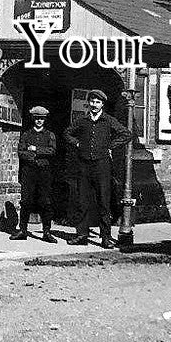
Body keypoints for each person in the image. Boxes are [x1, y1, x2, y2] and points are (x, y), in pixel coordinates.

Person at [64, 89, 132, 248]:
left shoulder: (108, 120)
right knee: (82, 201)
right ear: (88, 103)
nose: (94, 105)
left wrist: (110, 145)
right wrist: (77, 143)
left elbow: (126, 134)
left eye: (98, 102)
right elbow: (67, 133)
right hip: (84, 165)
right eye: (92, 102)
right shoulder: (82, 120)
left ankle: (106, 237)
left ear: (102, 104)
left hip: (102, 166)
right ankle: (81, 235)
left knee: (104, 201)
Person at [12, 106, 58, 243]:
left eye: (42, 119)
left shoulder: (50, 135)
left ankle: (46, 232)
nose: (39, 121)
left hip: (44, 172)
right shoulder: (26, 135)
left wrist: (35, 149)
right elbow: (21, 152)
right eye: (37, 118)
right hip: (29, 171)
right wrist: (34, 156)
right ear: (33, 119)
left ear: (45, 120)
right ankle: (23, 230)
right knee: (26, 200)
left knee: (45, 201)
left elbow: (52, 151)